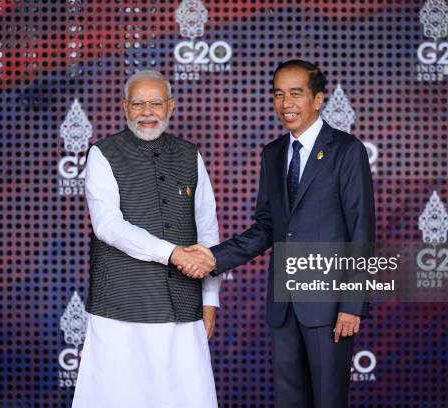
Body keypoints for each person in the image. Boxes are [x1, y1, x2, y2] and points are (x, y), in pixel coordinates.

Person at [184, 60, 375, 407]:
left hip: (328, 304)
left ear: (317, 100)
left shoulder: (347, 151)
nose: (286, 103)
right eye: (279, 94)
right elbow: (268, 227)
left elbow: (360, 230)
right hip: (284, 304)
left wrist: (353, 304)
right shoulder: (273, 153)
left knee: (329, 401)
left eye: (296, 94)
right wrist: (214, 258)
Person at [72, 70, 221, 408]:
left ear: (171, 106)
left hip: (183, 305)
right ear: (124, 106)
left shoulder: (189, 155)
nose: (147, 112)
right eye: (138, 103)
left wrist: (211, 299)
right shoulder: (102, 154)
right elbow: (108, 225)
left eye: (156, 103)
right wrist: (173, 253)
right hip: (120, 305)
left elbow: (207, 231)